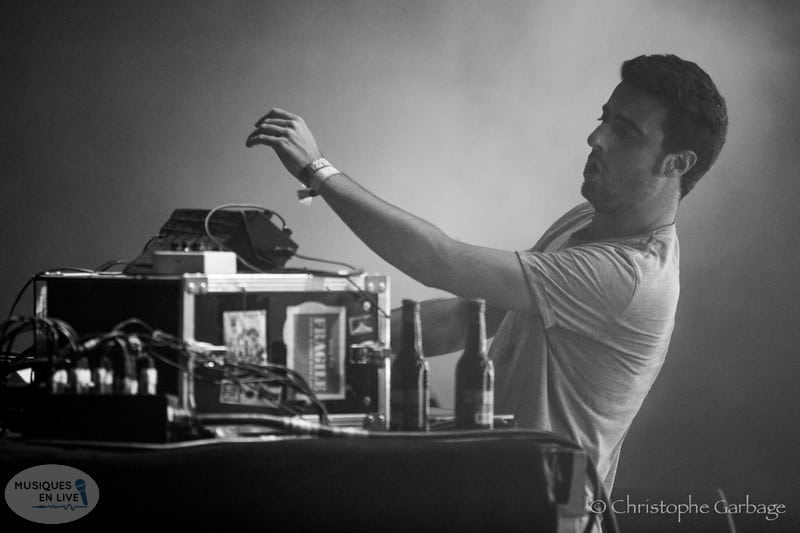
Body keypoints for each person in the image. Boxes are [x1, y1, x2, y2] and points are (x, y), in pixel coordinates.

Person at [245, 53, 728, 497]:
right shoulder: (591, 217)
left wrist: (318, 171)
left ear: (677, 163)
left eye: (626, 131)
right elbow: (468, 318)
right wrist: (316, 351)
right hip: (494, 498)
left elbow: (439, 261)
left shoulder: (629, 279)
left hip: (539, 514)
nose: (596, 138)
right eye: (604, 117)